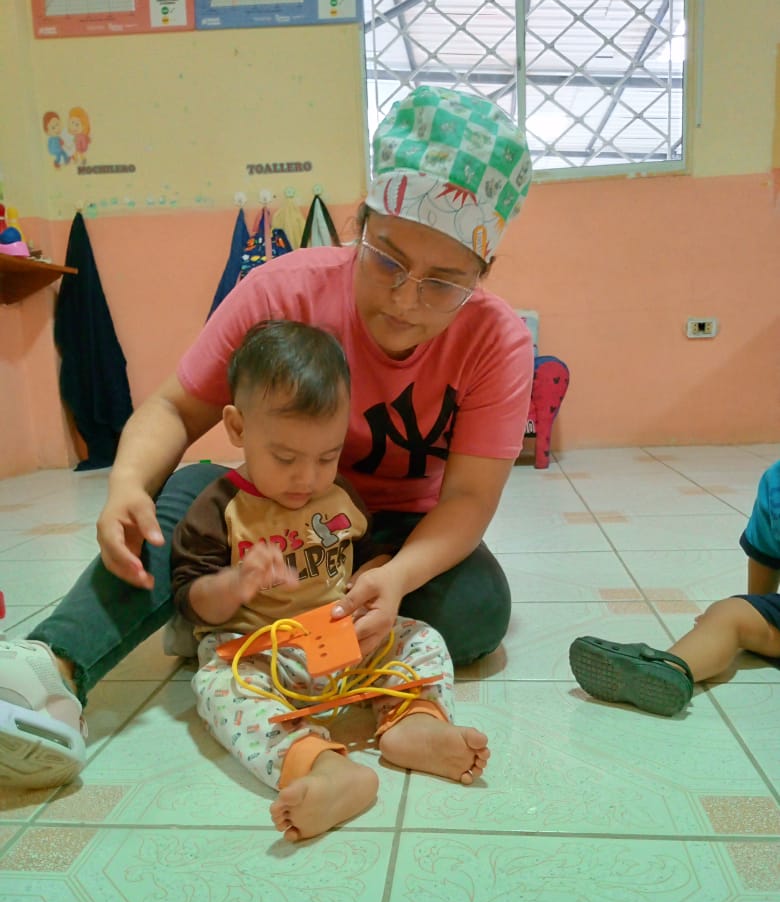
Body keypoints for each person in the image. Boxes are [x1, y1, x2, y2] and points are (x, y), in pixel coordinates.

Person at [0, 84, 534, 791]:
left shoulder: (496, 341)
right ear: (361, 223)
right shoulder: (285, 290)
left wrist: (398, 576)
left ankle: (249, 630)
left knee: (476, 609)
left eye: (443, 284)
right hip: (264, 514)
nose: (406, 301)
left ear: (482, 274)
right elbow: (173, 408)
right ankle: (49, 668)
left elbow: (468, 498)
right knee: (182, 501)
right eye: (387, 260)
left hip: (387, 532)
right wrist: (126, 484)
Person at [171, 318, 489, 841]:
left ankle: (414, 722)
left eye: (327, 456)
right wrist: (237, 583)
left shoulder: (338, 496)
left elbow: (368, 555)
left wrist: (371, 582)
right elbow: (191, 600)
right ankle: (320, 765)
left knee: (422, 639)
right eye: (285, 458)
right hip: (259, 655)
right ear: (238, 427)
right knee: (214, 687)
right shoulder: (219, 508)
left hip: (341, 640)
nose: (308, 477)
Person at [569, 460, 780, 717]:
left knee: (731, 615)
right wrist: (754, 615)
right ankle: (665, 671)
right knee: (729, 613)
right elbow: (764, 557)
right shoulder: (775, 481)